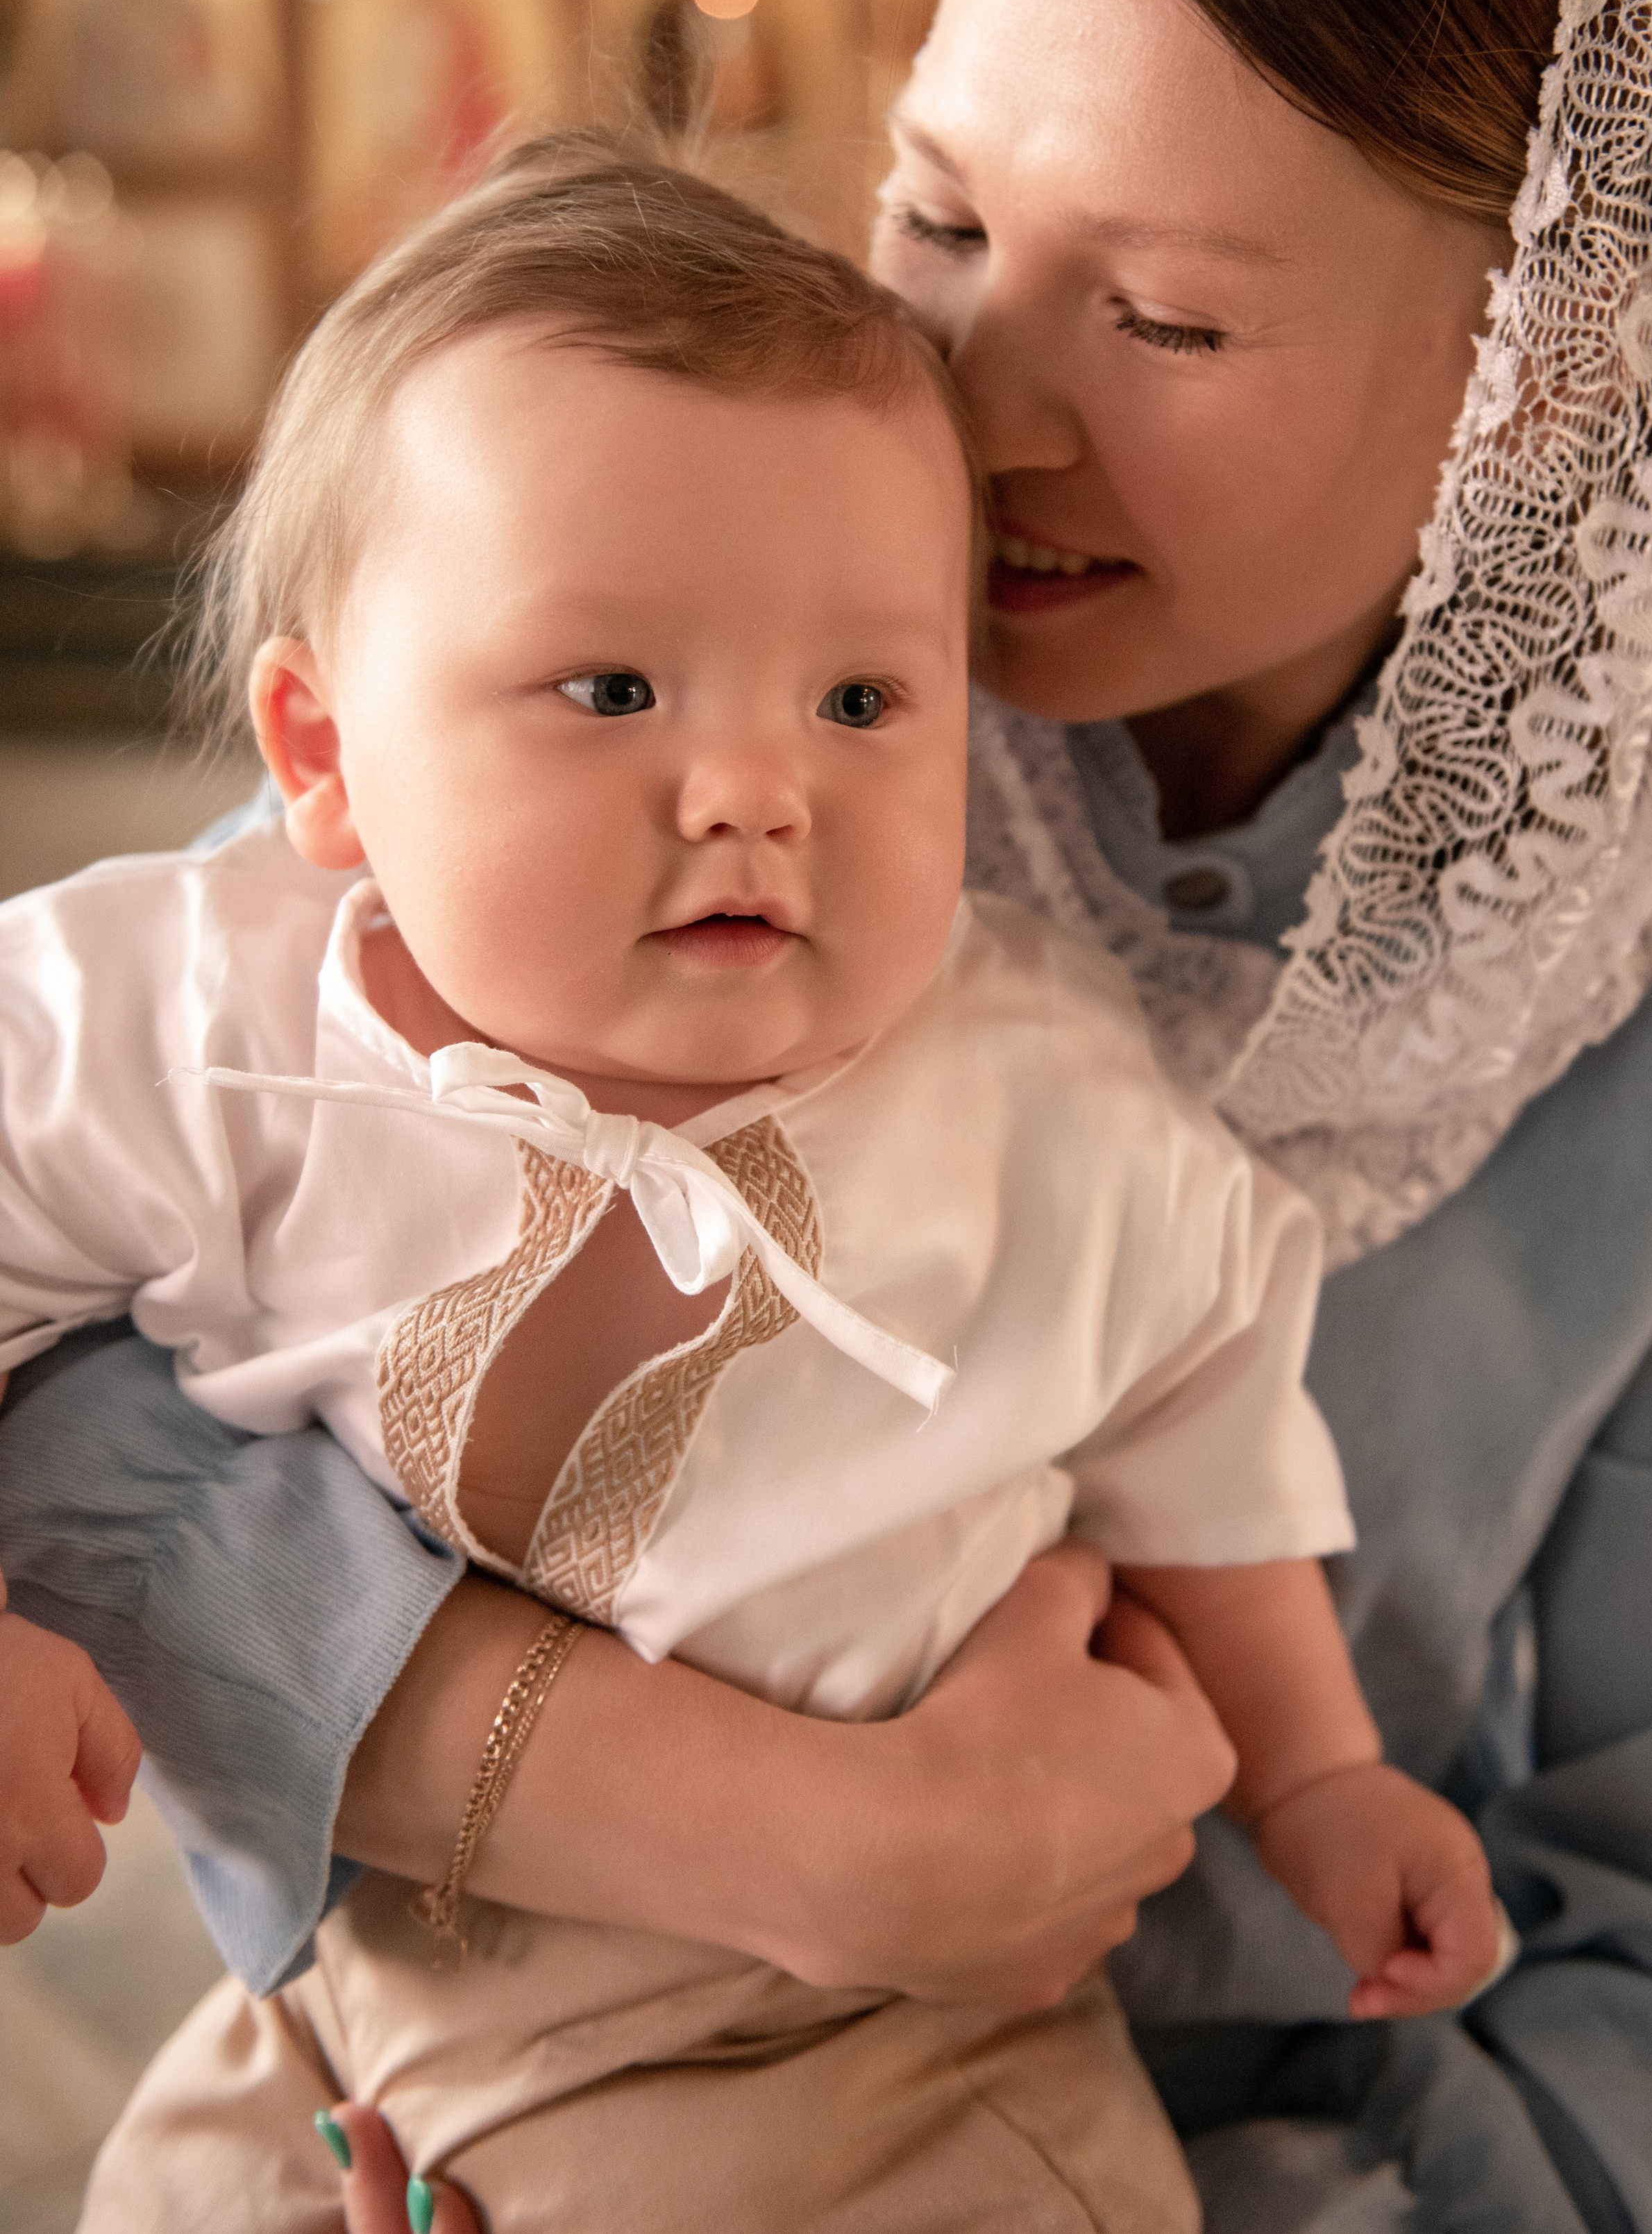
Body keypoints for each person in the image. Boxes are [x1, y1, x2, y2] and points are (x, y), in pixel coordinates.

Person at [3, 0, 1652, 2229]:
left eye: (1166, 314)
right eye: (938, 215)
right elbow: (131, 1340)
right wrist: (760, 1832)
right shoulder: (682, 653)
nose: (977, 399)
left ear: (1557, 365)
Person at [0, 144, 1499, 2233]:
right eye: (611, 690)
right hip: (353, 1997)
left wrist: (1322, 1777)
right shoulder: (201, 1017)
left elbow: (1203, 1437)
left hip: (876, 2061)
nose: (751, 786)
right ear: (323, 753)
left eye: (863, 699)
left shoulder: (1042, 1101)